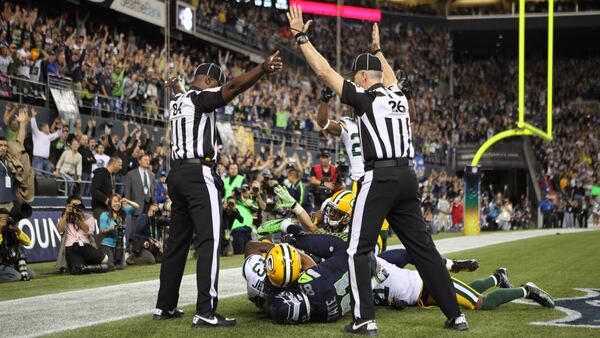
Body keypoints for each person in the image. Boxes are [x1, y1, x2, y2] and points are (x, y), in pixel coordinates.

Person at [287, 9, 465, 333]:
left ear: (363, 78)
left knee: (357, 249)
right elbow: (391, 77)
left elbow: (324, 71)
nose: (355, 82)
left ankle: (364, 319)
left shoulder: (365, 98)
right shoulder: (397, 95)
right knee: (424, 250)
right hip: (407, 178)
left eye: (357, 77)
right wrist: (379, 51)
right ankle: (456, 315)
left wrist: (301, 38)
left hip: (379, 177)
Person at [154, 51, 282, 327]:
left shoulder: (179, 100)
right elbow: (233, 87)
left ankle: (164, 306)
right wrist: (261, 69)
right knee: (210, 242)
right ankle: (205, 310)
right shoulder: (201, 97)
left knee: (176, 244)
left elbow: (185, 94)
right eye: (216, 84)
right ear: (210, 80)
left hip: (175, 175)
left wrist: (177, 85)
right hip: (198, 174)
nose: (218, 90)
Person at [56, 195, 109, 274]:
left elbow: (88, 231)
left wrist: (79, 218)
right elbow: (60, 229)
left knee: (104, 258)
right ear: (68, 206)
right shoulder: (64, 218)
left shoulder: (88, 217)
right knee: (77, 269)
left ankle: (87, 266)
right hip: (71, 248)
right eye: (74, 205)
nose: (76, 207)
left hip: (85, 246)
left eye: (78, 205)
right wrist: (66, 214)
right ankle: (91, 267)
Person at [98, 194, 139, 269]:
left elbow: (136, 206)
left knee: (121, 267)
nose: (117, 204)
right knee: (110, 266)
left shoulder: (123, 213)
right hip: (107, 245)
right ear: (110, 203)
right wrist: (111, 228)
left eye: (118, 202)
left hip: (119, 246)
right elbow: (102, 230)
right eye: (114, 201)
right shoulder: (105, 214)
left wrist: (127, 201)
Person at [124, 154, 155, 240]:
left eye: (148, 160)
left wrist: (154, 203)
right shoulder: (131, 174)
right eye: (145, 159)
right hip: (135, 205)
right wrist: (128, 204)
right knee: (134, 230)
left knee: (146, 229)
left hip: (148, 206)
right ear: (139, 161)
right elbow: (127, 190)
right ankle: (131, 249)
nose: (147, 161)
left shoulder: (152, 175)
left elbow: (153, 192)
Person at [0, 208, 35, 282]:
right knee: (16, 277)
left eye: (6, 219)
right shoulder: (3, 233)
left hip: (10, 262)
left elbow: (27, 242)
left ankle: (12, 271)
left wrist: (17, 230)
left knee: (31, 274)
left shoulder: (11, 232)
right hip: (1, 264)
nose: (5, 222)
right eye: (2, 220)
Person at [30, 108, 62, 174]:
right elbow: (33, 126)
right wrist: (33, 116)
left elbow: (57, 134)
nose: (48, 129)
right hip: (38, 160)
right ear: (43, 129)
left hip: (46, 160)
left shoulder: (48, 136)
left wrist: (60, 127)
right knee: (37, 177)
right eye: (47, 127)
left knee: (48, 177)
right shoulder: (37, 134)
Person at [91, 156, 122, 221]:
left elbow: (110, 190)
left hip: (109, 208)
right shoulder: (100, 174)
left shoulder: (112, 176)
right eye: (119, 165)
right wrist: (106, 200)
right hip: (99, 207)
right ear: (114, 164)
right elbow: (94, 190)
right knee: (103, 228)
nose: (120, 168)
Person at [0, 136, 16, 210]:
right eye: (0, 145)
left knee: (10, 221)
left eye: (5, 146)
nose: (3, 148)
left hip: (9, 201)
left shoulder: (9, 160)